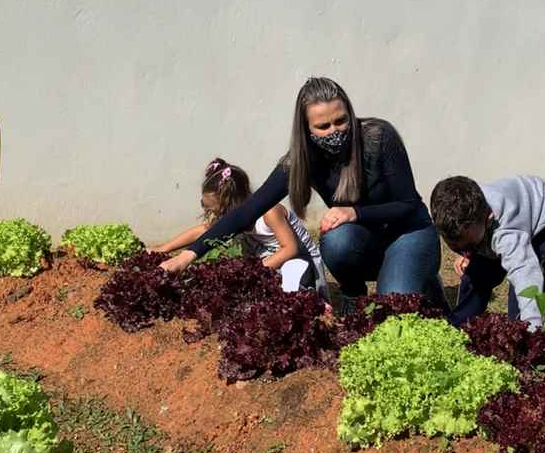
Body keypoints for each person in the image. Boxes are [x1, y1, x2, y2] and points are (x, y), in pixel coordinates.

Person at [159, 77, 447, 313]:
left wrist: (355, 212)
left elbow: (409, 205)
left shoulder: (378, 137)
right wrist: (189, 255)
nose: (334, 131)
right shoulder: (299, 161)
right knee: (336, 240)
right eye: (323, 126)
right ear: (306, 129)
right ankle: (352, 292)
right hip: (365, 241)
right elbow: (248, 210)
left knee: (393, 310)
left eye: (341, 121)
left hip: (410, 232)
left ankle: (421, 278)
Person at [150, 159, 327, 296]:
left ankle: (310, 296)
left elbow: (290, 249)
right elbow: (204, 231)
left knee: (292, 269)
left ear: (231, 203)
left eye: (213, 208)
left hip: (303, 264)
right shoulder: (232, 218)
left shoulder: (269, 212)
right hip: (270, 267)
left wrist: (255, 271)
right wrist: (163, 249)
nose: (209, 213)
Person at [429, 175, 545, 331]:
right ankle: (460, 330)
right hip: (499, 219)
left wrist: (532, 329)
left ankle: (538, 332)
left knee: (522, 292)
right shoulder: (462, 215)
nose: (463, 250)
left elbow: (525, 275)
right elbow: (465, 238)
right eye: (456, 245)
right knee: (475, 277)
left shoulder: (506, 234)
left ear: (489, 219)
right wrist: (466, 253)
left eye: (470, 245)